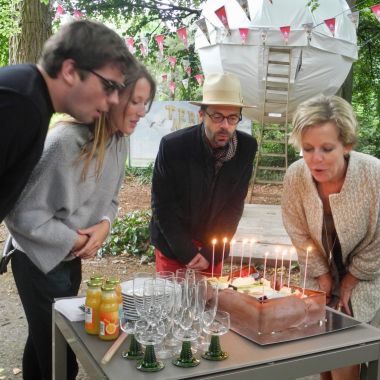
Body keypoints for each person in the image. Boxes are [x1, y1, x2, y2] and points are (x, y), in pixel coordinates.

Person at [5, 64, 156, 380]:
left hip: (71, 261)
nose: (142, 111)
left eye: (146, 103)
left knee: (41, 342)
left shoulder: (118, 141)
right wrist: (74, 241)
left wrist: (103, 226)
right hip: (35, 263)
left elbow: (112, 201)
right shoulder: (63, 142)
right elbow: (21, 214)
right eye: (135, 101)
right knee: (60, 356)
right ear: (111, 98)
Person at [281, 94, 380, 380]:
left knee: (343, 351)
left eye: (327, 148)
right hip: (317, 273)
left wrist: (350, 280)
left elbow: (379, 238)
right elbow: (297, 230)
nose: (316, 159)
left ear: (346, 144)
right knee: (317, 355)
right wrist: (322, 275)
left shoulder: (373, 175)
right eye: (308, 148)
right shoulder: (296, 176)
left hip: (367, 276)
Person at [0, 19, 136, 223]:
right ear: (70, 71)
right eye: (109, 86)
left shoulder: (29, 95)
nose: (115, 100)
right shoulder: (19, 104)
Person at [150, 72, 257, 274]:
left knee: (209, 302)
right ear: (201, 114)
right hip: (174, 243)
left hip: (213, 245)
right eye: (217, 116)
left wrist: (210, 252)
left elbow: (234, 206)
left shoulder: (246, 148)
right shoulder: (174, 146)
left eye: (233, 118)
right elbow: (162, 206)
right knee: (170, 301)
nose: (225, 126)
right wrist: (187, 252)